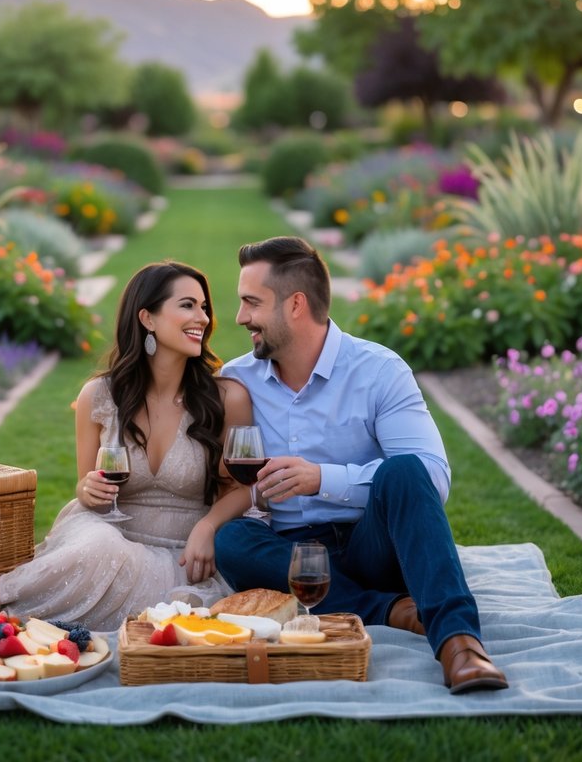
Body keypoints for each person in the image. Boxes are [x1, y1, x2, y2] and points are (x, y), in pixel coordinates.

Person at [214, 236, 508, 693]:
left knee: (406, 469)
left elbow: (433, 477)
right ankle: (391, 610)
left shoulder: (379, 371)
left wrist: (321, 479)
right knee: (231, 540)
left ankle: (460, 644)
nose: (240, 317)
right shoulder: (237, 381)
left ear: (295, 304)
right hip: (292, 559)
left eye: (252, 302)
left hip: (375, 546)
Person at [0, 261, 253, 631]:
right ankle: (1, 590)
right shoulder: (98, 396)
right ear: (147, 318)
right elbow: (86, 487)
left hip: (181, 552)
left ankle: (29, 609)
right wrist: (88, 488)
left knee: (172, 607)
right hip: (109, 532)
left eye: (204, 307)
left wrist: (209, 526)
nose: (204, 318)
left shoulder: (227, 397)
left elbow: (244, 488)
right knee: (100, 547)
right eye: (187, 305)